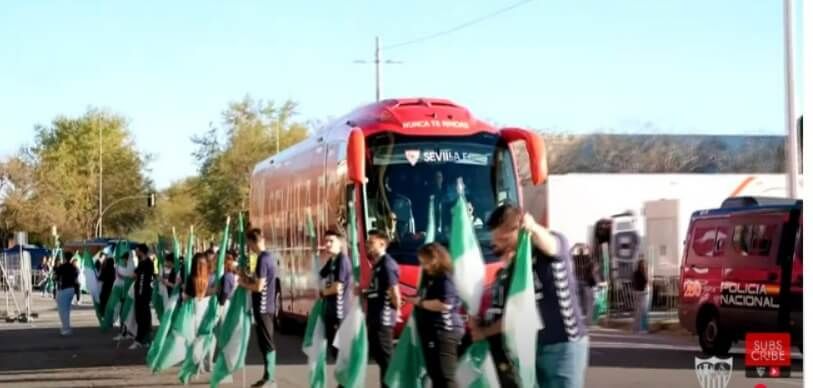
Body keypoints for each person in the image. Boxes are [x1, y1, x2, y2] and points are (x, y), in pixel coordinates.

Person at [475, 204, 588, 388]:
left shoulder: (553, 243)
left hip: (563, 345)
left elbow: (551, 245)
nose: (497, 245)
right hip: (534, 347)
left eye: (502, 238)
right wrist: (483, 331)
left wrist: (533, 227)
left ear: (517, 228)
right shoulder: (515, 268)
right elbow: (513, 316)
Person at [408, 242, 461, 388]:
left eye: (425, 261)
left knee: (446, 377)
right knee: (435, 375)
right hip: (432, 333)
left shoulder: (445, 278)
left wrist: (420, 302)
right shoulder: (429, 279)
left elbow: (444, 303)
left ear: (436, 258)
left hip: (444, 332)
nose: (423, 265)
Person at [360, 230, 401, 388]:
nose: (368, 245)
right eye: (368, 242)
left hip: (383, 319)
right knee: (379, 357)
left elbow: (394, 292)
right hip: (374, 318)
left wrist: (394, 312)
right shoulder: (377, 265)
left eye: (371, 242)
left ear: (382, 244)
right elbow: (376, 290)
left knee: (387, 359)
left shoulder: (387, 264)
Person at [237, 228, 278, 388]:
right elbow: (257, 281)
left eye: (248, 243)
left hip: (264, 306)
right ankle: (267, 376)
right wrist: (246, 277)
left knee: (267, 342)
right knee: (263, 342)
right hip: (263, 306)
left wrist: (242, 284)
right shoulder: (265, 258)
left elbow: (259, 287)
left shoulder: (263, 259)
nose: (248, 247)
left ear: (254, 241)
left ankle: (270, 378)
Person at [318, 227, 351, 360]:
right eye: (326, 241)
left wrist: (324, 292)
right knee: (334, 350)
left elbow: (338, 287)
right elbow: (320, 275)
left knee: (340, 351)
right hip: (331, 311)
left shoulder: (342, 260)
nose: (327, 244)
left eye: (331, 241)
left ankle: (347, 380)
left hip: (340, 312)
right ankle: (343, 380)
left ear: (340, 242)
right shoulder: (332, 260)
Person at [131, 244, 154, 349]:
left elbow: (137, 276)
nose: (136, 252)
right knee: (140, 316)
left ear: (141, 251)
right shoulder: (142, 262)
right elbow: (135, 275)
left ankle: (142, 339)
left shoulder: (148, 263)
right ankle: (142, 339)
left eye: (137, 250)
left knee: (143, 316)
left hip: (144, 293)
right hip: (139, 292)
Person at [572, 244, 598, 326]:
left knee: (582, 302)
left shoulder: (582, 258)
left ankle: (585, 321)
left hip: (583, 282)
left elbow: (594, 258)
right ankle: (586, 321)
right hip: (582, 282)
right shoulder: (577, 258)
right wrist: (576, 246)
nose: (581, 250)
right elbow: (593, 258)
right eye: (581, 249)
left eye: (582, 249)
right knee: (585, 302)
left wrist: (575, 246)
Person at [54, 252, 79, 336]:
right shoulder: (73, 267)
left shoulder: (62, 266)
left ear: (64, 258)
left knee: (62, 310)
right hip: (72, 289)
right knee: (67, 310)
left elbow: (56, 277)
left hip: (64, 289)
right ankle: (67, 327)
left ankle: (65, 329)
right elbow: (76, 276)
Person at [632, 259, 649, 334]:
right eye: (643, 264)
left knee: (637, 311)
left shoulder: (635, 273)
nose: (644, 266)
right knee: (643, 311)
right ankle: (642, 329)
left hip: (636, 292)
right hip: (642, 293)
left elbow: (634, 282)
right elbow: (645, 282)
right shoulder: (642, 273)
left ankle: (635, 328)